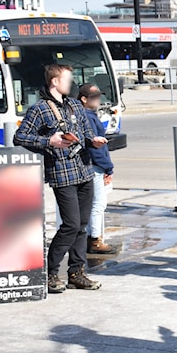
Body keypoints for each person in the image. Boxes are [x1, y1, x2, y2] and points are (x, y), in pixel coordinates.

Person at [14, 64, 109, 293]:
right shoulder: (40, 109)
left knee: (81, 226)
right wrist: (49, 142)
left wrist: (93, 140)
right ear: (55, 82)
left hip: (84, 170)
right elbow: (20, 137)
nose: (71, 82)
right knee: (71, 225)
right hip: (62, 173)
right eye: (67, 79)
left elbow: (85, 135)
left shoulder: (75, 105)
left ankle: (77, 273)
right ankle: (50, 273)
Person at [77, 83, 116, 254]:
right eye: (94, 97)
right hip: (95, 167)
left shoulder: (86, 115)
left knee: (91, 203)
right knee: (98, 203)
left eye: (99, 96)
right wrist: (108, 167)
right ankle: (95, 239)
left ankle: (90, 238)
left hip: (92, 166)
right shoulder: (88, 117)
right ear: (84, 99)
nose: (99, 100)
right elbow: (95, 147)